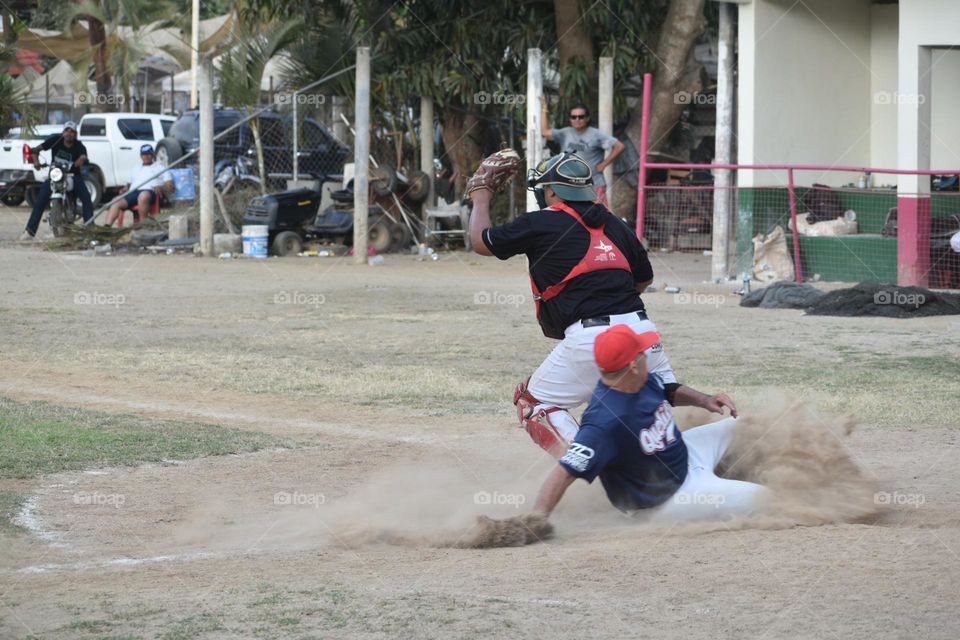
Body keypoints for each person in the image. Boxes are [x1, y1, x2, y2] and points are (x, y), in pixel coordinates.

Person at [467, 150, 736, 457]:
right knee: (654, 390)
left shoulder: (540, 222)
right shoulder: (616, 224)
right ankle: (685, 456)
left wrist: (481, 194)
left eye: (545, 189)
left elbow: (481, 241)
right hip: (641, 331)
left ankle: (588, 464)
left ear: (552, 191)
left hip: (589, 338)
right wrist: (705, 399)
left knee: (532, 400)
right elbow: (643, 280)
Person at [530, 324, 765, 522]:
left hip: (686, 454)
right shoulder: (604, 422)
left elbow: (667, 391)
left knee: (747, 425)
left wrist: (705, 400)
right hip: (668, 499)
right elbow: (563, 473)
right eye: (641, 351)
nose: (646, 353)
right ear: (633, 364)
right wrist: (536, 521)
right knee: (767, 500)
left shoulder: (639, 379)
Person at [540, 96, 625, 207]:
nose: (577, 120)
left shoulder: (596, 134)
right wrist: (544, 108)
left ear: (587, 118)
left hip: (594, 186)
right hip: (569, 187)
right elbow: (545, 132)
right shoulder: (565, 133)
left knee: (599, 218)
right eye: (573, 117)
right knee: (571, 219)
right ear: (570, 119)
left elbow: (619, 146)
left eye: (581, 117)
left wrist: (604, 164)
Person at [20, 121, 93, 241]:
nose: (69, 134)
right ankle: (29, 231)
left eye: (72, 131)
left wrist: (81, 159)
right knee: (40, 202)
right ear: (63, 132)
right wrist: (36, 162)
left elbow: (84, 156)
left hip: (72, 175)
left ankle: (90, 229)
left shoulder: (80, 146)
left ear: (76, 134)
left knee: (86, 199)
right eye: (67, 131)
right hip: (55, 175)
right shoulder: (55, 140)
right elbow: (36, 150)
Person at [105, 144, 174, 227]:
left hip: (150, 191)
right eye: (144, 154)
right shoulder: (135, 168)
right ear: (141, 156)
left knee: (143, 196)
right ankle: (106, 227)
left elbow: (170, 186)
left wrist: (162, 188)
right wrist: (125, 189)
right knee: (116, 201)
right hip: (134, 192)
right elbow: (129, 185)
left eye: (148, 154)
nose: (146, 157)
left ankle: (142, 225)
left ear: (153, 155)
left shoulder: (160, 168)